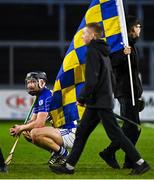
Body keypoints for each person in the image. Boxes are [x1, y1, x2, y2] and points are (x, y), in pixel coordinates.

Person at [49, 22, 150, 175]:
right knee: (81, 133)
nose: (82, 36)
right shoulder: (103, 51)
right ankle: (69, 166)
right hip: (99, 101)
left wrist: (82, 97)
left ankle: (140, 163)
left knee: (115, 134)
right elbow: (110, 77)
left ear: (93, 35)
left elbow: (92, 79)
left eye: (85, 33)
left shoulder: (93, 52)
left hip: (99, 102)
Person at [99, 15, 145, 169]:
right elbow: (110, 64)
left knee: (133, 128)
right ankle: (110, 153)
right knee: (131, 127)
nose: (140, 29)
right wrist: (122, 54)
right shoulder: (121, 46)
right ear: (131, 28)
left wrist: (138, 94)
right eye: (138, 26)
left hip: (132, 93)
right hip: (125, 92)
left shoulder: (132, 46)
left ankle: (127, 160)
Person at [10, 71, 77, 165]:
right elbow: (33, 120)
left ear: (41, 82)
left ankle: (64, 154)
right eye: (28, 82)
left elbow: (39, 124)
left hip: (70, 132)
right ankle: (57, 153)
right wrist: (20, 127)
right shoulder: (40, 97)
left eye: (33, 82)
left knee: (35, 132)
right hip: (60, 132)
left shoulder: (46, 96)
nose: (30, 85)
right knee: (27, 131)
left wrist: (21, 128)